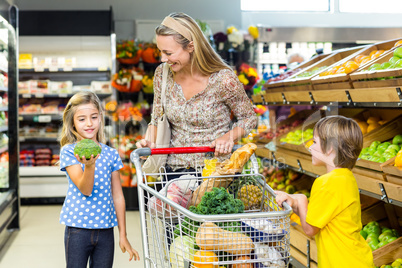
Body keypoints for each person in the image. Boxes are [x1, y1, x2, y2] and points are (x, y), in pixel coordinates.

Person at [136, 12, 257, 177]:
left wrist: (229, 137)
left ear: (191, 47)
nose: (163, 59)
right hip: (173, 172)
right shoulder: (162, 75)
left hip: (215, 173)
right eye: (160, 52)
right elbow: (157, 118)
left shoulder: (223, 79)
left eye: (168, 53)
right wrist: (149, 141)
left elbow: (249, 118)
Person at [275, 115, 374, 268]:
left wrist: (300, 199)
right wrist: (294, 202)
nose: (310, 146)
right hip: (356, 259)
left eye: (315, 142)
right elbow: (319, 217)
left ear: (330, 149)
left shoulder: (326, 182)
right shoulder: (346, 177)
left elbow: (309, 228)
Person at [59, 91, 140, 267]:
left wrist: (123, 234)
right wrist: (89, 165)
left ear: (101, 117)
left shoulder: (111, 154)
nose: (89, 123)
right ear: (72, 122)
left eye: (94, 117)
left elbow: (118, 196)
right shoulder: (69, 152)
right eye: (81, 119)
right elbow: (85, 189)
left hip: (105, 230)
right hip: (77, 230)